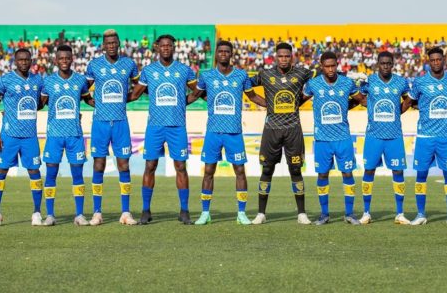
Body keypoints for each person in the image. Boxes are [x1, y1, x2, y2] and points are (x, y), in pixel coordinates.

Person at [188, 41, 266, 225]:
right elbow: (195, 95)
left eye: (226, 51)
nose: (223, 54)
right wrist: (179, 103)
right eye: (220, 51)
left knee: (240, 170)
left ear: (231, 54)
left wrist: (272, 105)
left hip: (234, 132)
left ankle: (241, 213)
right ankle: (205, 213)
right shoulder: (206, 75)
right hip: (213, 131)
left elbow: (252, 96)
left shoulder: (241, 75)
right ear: (216, 54)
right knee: (208, 171)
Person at [128, 35, 198, 225]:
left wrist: (185, 102)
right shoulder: (149, 71)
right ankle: (145, 210)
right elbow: (135, 94)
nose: (166, 48)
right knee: (150, 166)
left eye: (169, 45)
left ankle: (184, 211)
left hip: (177, 126)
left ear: (174, 48)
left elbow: (198, 90)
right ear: (157, 48)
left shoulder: (184, 70)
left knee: (181, 167)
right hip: (155, 127)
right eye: (163, 46)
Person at [248, 42, 315, 225]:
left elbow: (320, 80)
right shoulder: (265, 74)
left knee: (295, 170)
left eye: (287, 56)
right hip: (272, 129)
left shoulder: (302, 73)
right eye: (280, 56)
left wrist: (300, 100)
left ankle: (301, 213)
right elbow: (247, 86)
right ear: (275, 57)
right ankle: (261, 213)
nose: (284, 59)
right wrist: (266, 104)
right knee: (267, 170)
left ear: (291, 56)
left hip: (293, 128)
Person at [404, 46, 447, 226]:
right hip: (425, 136)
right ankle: (421, 214)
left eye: (439, 59)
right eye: (433, 60)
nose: (436, 63)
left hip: (446, 136)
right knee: (421, 175)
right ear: (428, 62)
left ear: (444, 60)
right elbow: (411, 101)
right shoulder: (420, 82)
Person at [303, 51, 365, 225]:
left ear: (337, 65)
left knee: (347, 173)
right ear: (321, 67)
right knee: (322, 175)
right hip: (322, 139)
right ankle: (324, 214)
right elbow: (299, 100)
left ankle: (350, 214)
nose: (330, 69)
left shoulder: (347, 83)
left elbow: (361, 100)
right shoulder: (313, 84)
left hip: (343, 138)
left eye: (333, 66)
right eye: (327, 66)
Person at [85, 29, 139, 226]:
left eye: (114, 42)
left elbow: (140, 85)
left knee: (123, 165)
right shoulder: (95, 65)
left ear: (118, 44)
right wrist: (93, 103)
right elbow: (84, 88)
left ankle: (125, 212)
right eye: (107, 43)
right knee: (98, 165)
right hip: (100, 123)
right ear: (103, 46)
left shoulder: (129, 64)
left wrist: (129, 98)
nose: (111, 46)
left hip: (120, 123)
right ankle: (97, 212)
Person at [0, 48, 44, 227]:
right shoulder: (5, 80)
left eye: (26, 59)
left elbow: (40, 103)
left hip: (30, 137)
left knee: (34, 172)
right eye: (20, 60)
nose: (23, 62)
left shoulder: (37, 80)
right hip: (9, 136)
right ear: (15, 60)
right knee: (1, 171)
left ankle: (36, 212)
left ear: (31, 60)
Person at [40, 45, 95, 226]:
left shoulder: (80, 80)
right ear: (56, 60)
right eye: (61, 58)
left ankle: (79, 215)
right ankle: (50, 215)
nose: (64, 61)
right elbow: (40, 103)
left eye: (67, 58)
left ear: (72, 59)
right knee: (51, 175)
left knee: (77, 175)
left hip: (75, 135)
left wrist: (106, 103)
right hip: (54, 135)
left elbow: (88, 100)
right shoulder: (47, 82)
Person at [358, 51, 412, 225]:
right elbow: (359, 97)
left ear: (393, 64)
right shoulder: (369, 82)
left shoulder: (401, 82)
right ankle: (366, 212)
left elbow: (408, 100)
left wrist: (398, 111)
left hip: (394, 135)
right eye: (383, 63)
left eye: (389, 63)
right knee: (369, 171)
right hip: (373, 135)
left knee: (398, 172)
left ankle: (400, 213)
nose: (386, 66)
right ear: (377, 64)